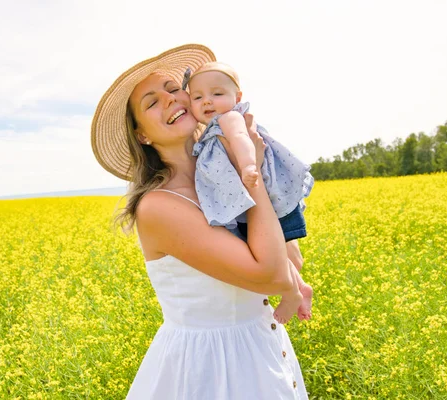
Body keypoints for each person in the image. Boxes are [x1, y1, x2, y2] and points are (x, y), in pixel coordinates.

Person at [91, 44, 308, 399]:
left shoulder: (218, 181)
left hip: (262, 348)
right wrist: (248, 172)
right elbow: (271, 275)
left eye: (174, 89)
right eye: (151, 102)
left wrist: (246, 164)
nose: (170, 99)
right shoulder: (158, 207)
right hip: (210, 371)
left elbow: (293, 262)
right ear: (143, 135)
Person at [184, 61, 315, 323]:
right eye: (197, 97)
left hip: (262, 192)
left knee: (274, 254)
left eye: (217, 94)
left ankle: (291, 293)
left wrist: (248, 167)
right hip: (246, 201)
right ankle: (299, 288)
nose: (207, 101)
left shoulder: (230, 118)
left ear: (237, 98)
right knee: (268, 252)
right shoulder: (209, 132)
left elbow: (242, 141)